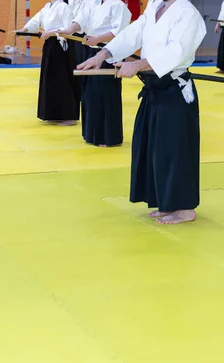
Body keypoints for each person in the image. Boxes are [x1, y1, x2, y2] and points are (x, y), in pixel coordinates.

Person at [77, 0, 206, 224]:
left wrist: (136, 65)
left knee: (175, 150)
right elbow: (133, 33)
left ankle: (185, 208)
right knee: (154, 147)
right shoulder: (155, 5)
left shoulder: (187, 13)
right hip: (154, 87)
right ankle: (166, 202)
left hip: (174, 90)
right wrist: (102, 55)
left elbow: (176, 51)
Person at [60, 0, 131, 147]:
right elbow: (81, 20)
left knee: (106, 93)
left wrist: (98, 39)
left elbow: (120, 31)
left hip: (111, 53)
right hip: (91, 50)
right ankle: (91, 134)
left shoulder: (118, 5)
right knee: (90, 93)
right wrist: (68, 30)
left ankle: (108, 137)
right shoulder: (92, 3)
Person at [15, 0, 78, 126]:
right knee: (50, 79)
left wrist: (51, 32)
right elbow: (36, 20)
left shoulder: (64, 7)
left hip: (61, 45)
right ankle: (53, 114)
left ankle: (69, 116)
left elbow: (68, 30)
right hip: (50, 44)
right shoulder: (48, 6)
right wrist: (25, 29)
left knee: (62, 78)